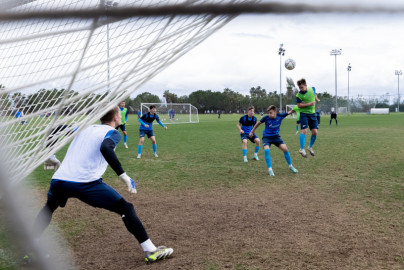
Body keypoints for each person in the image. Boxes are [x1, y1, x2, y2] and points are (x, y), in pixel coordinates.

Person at [29, 106, 173, 265]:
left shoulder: (85, 128)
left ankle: (29, 251)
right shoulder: (113, 133)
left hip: (59, 181)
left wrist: (50, 155)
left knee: (48, 209)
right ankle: (151, 251)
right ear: (116, 118)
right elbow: (105, 148)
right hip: (86, 183)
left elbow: (55, 129)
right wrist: (123, 176)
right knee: (126, 208)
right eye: (119, 114)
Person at [249, 105, 298, 177]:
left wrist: (299, 107)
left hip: (276, 137)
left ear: (275, 112)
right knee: (266, 150)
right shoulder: (266, 118)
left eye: (270, 112)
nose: (269, 114)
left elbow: (290, 111)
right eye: (268, 113)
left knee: (285, 149)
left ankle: (290, 166)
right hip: (267, 137)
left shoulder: (280, 116)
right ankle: (270, 169)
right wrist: (252, 131)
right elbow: (258, 123)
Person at [296, 78, 320, 158]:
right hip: (304, 114)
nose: (301, 89)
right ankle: (302, 149)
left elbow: (315, 94)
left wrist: (317, 99)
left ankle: (310, 147)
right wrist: (309, 104)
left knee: (315, 132)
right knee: (304, 130)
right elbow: (299, 105)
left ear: (306, 85)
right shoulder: (299, 95)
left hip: (312, 114)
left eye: (302, 87)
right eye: (299, 88)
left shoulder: (312, 89)